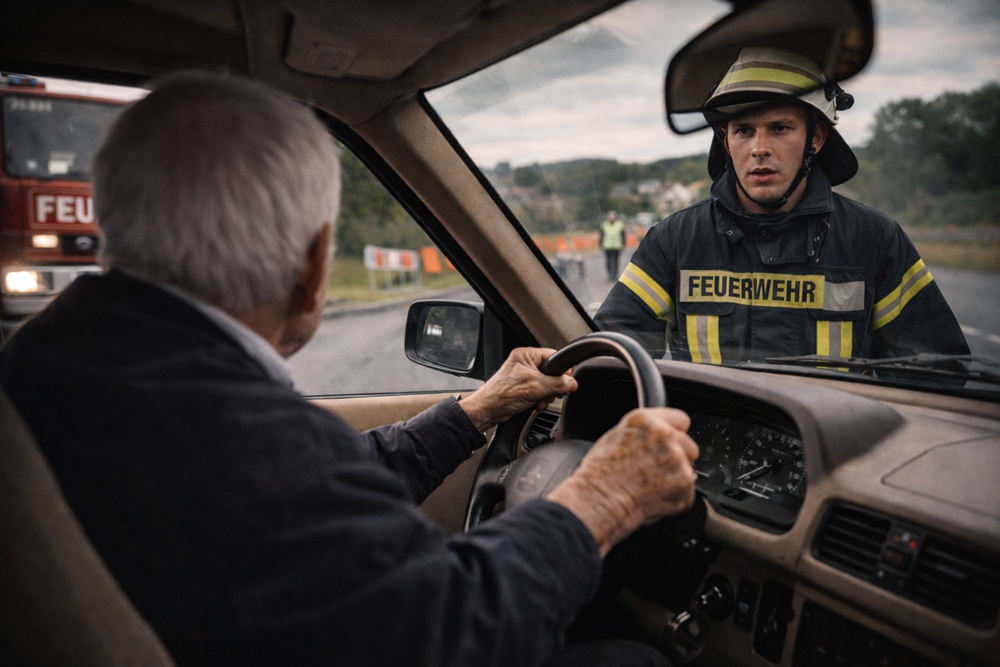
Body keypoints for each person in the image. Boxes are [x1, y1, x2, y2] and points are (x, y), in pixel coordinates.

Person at [0, 72, 699, 666]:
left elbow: (316, 487)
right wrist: (602, 497)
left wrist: (475, 411)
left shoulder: (56, 357)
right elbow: (453, 632)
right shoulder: (235, 430)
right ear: (313, 265)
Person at [595, 46, 969, 365]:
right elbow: (606, 357)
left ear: (816, 138)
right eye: (744, 130)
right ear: (726, 142)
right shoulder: (674, 241)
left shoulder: (876, 241)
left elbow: (936, 374)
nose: (759, 148)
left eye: (779, 128)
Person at [599, 211, 626, 280]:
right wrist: (600, 243)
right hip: (607, 246)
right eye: (610, 216)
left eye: (613, 216)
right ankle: (609, 274)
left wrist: (623, 244)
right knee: (608, 261)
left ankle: (615, 275)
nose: (611, 217)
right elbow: (601, 235)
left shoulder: (620, 224)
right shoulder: (604, 224)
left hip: (617, 245)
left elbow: (623, 235)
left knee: (616, 261)